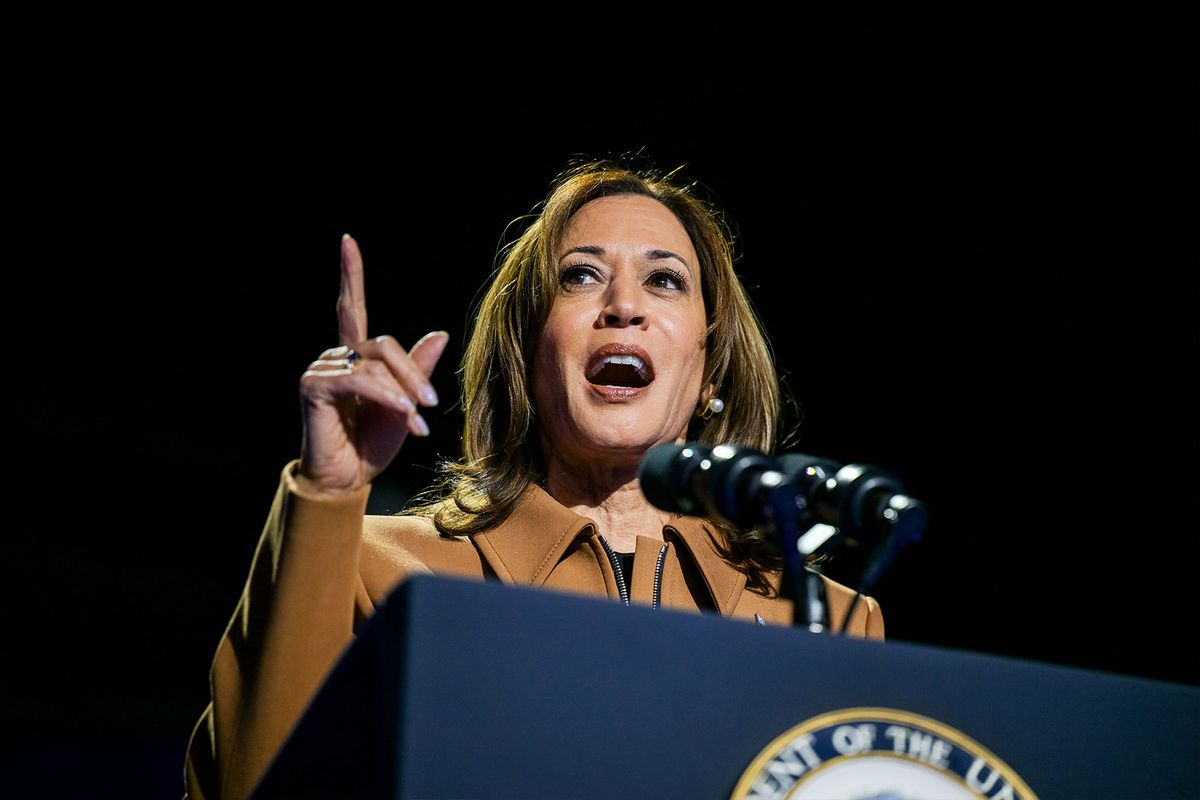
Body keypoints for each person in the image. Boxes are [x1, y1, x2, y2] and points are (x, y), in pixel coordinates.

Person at [182, 160, 885, 800]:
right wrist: (328, 491)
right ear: (529, 351)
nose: (623, 305)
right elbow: (252, 785)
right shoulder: (386, 574)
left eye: (665, 279)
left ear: (712, 368)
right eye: (579, 275)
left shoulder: (826, 620)